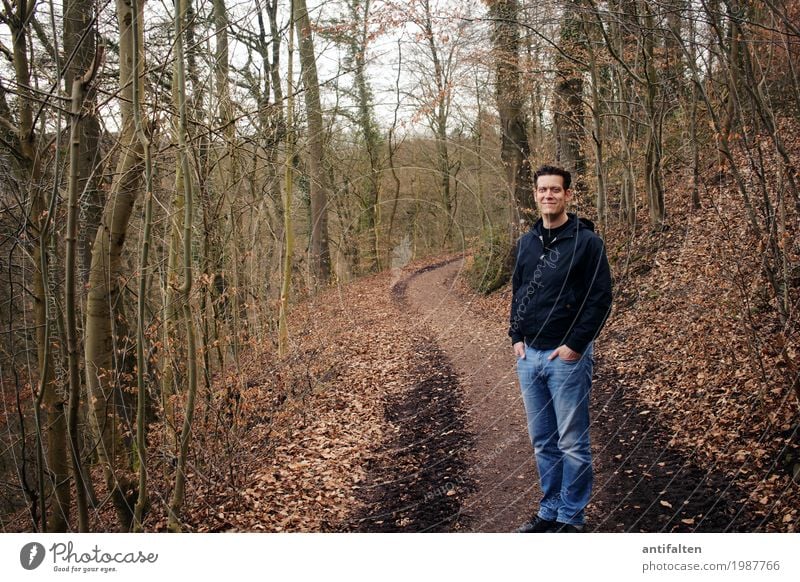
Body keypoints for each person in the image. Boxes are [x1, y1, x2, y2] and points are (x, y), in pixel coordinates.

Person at [509, 164, 613, 533]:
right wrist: (515, 336)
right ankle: (549, 509)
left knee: (572, 443)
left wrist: (575, 345)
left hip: (566, 358)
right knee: (542, 443)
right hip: (529, 357)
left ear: (567, 194)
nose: (548, 195)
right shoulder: (526, 243)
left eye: (555, 190)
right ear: (535, 195)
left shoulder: (587, 243)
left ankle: (572, 517)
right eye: (542, 190)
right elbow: (519, 292)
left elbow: (600, 299)